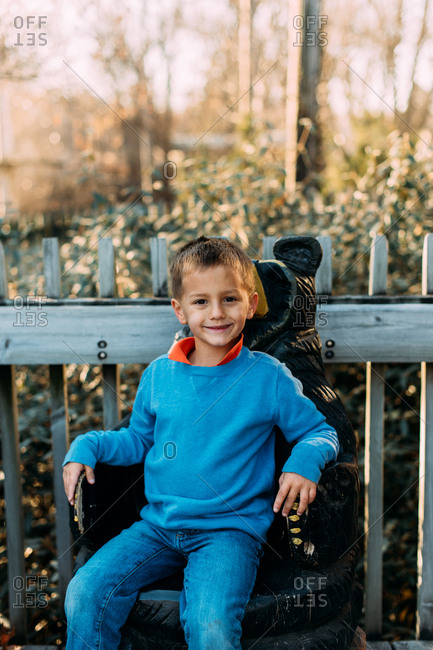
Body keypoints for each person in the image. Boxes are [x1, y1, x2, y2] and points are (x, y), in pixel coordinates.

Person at [62, 236, 339, 650]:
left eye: (229, 299)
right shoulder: (159, 375)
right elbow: (137, 441)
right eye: (201, 301)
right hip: (158, 527)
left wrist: (304, 462)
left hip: (228, 533)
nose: (216, 313)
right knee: (85, 594)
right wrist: (87, 445)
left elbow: (323, 432)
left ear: (250, 304)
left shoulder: (269, 378)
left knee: (210, 625)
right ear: (180, 309)